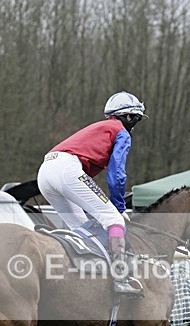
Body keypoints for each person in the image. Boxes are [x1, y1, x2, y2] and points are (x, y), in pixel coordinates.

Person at [37, 91, 147, 297]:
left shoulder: (102, 128)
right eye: (136, 120)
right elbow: (117, 175)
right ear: (129, 117)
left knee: (82, 228)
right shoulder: (121, 131)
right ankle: (120, 277)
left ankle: (84, 275)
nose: (134, 126)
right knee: (113, 218)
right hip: (66, 170)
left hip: (45, 171)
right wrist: (119, 207)